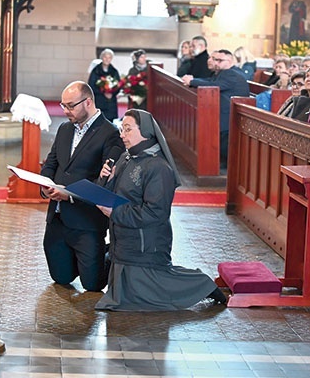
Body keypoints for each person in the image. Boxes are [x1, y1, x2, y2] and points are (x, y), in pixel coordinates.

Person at [94, 109, 227, 311]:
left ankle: (203, 285)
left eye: (128, 130)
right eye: (122, 129)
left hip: (147, 244)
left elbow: (156, 213)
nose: (122, 135)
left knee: (159, 289)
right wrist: (106, 179)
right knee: (129, 296)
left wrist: (116, 213)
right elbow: (110, 196)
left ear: (146, 132)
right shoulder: (126, 158)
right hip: (124, 241)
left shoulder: (158, 167)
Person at [40, 81, 125, 292]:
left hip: (86, 220)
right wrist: (44, 185)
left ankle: (111, 251)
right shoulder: (64, 129)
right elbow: (51, 163)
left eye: (70, 106)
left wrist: (68, 195)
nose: (66, 111)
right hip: (58, 218)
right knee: (62, 277)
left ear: (88, 102)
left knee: (92, 285)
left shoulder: (110, 133)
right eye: (63, 106)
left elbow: (104, 183)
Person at [182, 49, 250, 168]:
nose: (216, 63)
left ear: (229, 61)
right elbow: (209, 81)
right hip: (224, 112)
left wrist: (192, 81)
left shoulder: (231, 73)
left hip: (230, 115)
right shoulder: (223, 73)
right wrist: (193, 80)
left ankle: (221, 164)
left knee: (221, 141)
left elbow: (213, 85)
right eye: (214, 59)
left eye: (219, 60)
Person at [88, 48, 120, 122]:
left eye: (109, 57)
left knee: (110, 123)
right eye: (105, 57)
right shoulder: (96, 71)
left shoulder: (114, 71)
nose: (107, 59)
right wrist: (103, 92)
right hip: (99, 100)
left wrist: (112, 93)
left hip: (110, 101)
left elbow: (118, 85)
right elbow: (91, 85)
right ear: (102, 57)